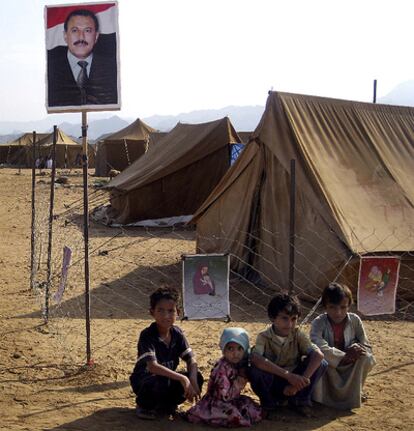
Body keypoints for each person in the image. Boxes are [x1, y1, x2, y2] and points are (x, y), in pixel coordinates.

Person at [129, 286, 203, 420]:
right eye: (160, 311)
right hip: (146, 380)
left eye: (170, 311)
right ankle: (144, 406)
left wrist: (192, 379)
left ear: (178, 312)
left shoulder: (177, 334)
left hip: (167, 378)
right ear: (152, 312)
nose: (166, 316)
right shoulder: (147, 335)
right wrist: (183, 378)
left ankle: (168, 405)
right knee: (159, 382)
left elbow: (191, 359)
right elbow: (153, 367)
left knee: (198, 377)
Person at [249, 293, 327, 417]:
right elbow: (256, 358)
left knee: (320, 363)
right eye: (284, 318)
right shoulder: (264, 337)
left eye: (294, 319)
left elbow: (318, 355)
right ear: (272, 318)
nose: (290, 324)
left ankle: (300, 401)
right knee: (255, 370)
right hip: (275, 380)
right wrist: (288, 376)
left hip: (295, 383)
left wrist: (300, 382)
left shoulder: (297, 335)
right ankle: (269, 404)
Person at [310, 282, 376, 410]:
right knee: (318, 360)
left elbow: (366, 345)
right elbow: (317, 345)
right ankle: (322, 398)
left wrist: (356, 348)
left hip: (349, 363)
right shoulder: (319, 322)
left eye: (343, 307)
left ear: (349, 306)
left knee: (366, 358)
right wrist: (342, 356)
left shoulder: (355, 320)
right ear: (325, 307)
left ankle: (354, 393)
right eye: (332, 307)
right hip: (330, 365)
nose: (338, 312)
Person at [186, 327, 262, 427]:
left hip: (233, 399)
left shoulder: (238, 364)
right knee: (233, 415)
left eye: (240, 348)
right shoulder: (222, 369)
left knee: (253, 408)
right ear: (223, 349)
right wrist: (241, 379)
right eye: (230, 348)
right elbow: (224, 396)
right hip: (218, 403)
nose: (235, 353)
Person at [47, 8, 118, 107]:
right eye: (75, 30)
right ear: (65, 36)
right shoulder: (51, 68)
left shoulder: (112, 69)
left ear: (96, 36)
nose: (81, 37)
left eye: (87, 30)